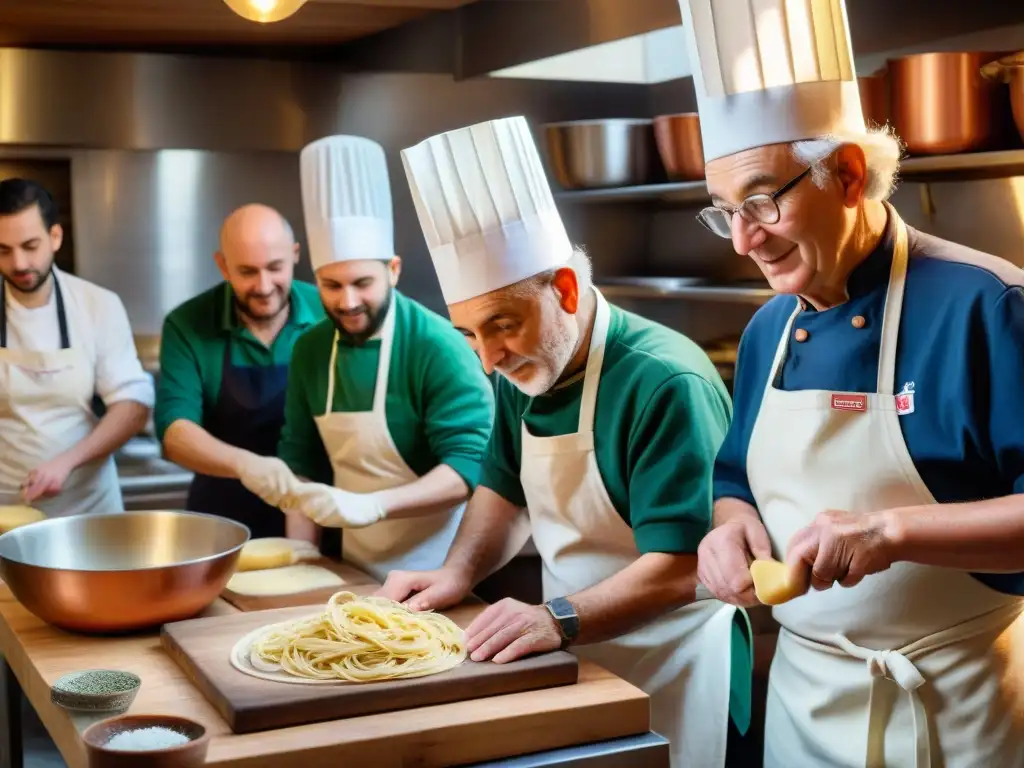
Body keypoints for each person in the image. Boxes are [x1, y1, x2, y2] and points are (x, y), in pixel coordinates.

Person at [677, 1, 1024, 766]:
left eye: (763, 200)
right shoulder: (768, 330)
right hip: (802, 711)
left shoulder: (988, 307)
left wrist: (891, 532)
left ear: (849, 175)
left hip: (957, 712)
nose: (744, 239)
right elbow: (735, 478)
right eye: (725, 212)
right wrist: (728, 526)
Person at [377, 116, 749, 768]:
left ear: (566, 290)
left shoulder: (665, 381)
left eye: (501, 325)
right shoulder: (520, 367)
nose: (487, 358)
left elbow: (685, 566)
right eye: (469, 334)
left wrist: (558, 619)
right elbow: (501, 482)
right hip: (573, 651)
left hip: (673, 659)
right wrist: (456, 573)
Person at [252, 134, 494, 582]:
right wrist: (301, 563)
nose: (347, 301)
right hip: (353, 570)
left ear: (394, 270)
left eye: (362, 282)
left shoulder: (437, 346)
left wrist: (375, 505)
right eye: (330, 285)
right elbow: (301, 463)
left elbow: (468, 468)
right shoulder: (309, 348)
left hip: (439, 568)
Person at [155, 203, 323, 540]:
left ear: (295, 255)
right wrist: (247, 466)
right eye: (247, 271)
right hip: (224, 520)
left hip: (320, 510)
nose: (263, 286)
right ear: (222, 265)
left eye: (275, 268)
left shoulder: (329, 312)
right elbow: (175, 433)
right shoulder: (187, 323)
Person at [0, 178, 153, 516]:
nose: (20, 263)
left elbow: (133, 403)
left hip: (87, 507)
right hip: (6, 508)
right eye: (4, 250)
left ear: (55, 237)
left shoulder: (98, 305)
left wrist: (66, 462)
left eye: (30, 245)